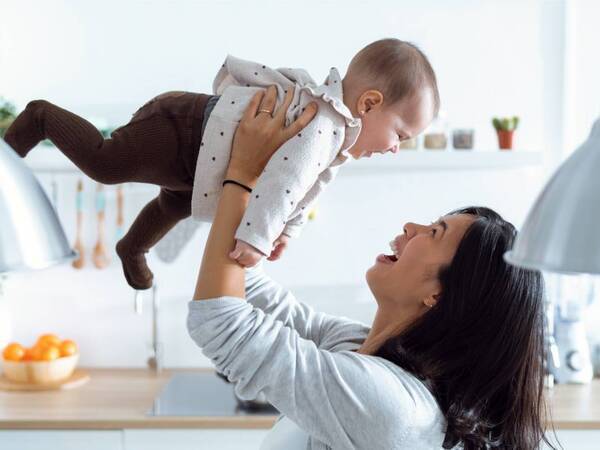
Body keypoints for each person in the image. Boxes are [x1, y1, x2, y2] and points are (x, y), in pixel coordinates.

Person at [187, 87, 558, 449]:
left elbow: (222, 322)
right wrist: (262, 209)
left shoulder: (391, 407)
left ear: (440, 293)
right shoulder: (363, 348)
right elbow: (254, 293)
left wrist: (242, 175)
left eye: (433, 233)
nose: (410, 227)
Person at [4, 38, 438, 290]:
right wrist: (257, 238)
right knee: (107, 165)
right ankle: (40, 118)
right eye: (400, 134)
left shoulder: (337, 139)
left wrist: (285, 230)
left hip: (199, 163)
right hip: (180, 129)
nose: (395, 148)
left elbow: (307, 191)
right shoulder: (321, 124)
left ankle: (132, 247)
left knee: (176, 205)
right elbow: (285, 181)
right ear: (368, 103)